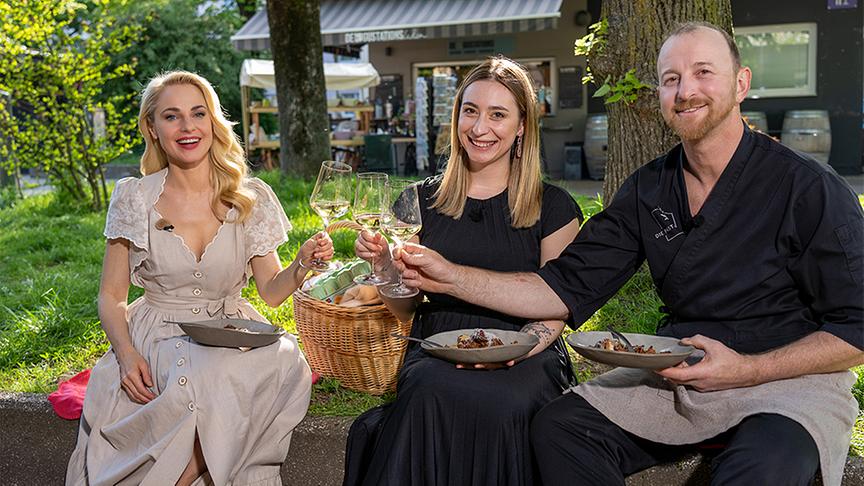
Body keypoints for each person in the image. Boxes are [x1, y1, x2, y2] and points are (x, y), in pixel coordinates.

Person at [397, 22, 863, 486]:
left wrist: (749, 368)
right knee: (561, 429)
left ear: (741, 83)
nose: (686, 91)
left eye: (704, 72)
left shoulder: (808, 187)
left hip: (783, 383)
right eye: (671, 79)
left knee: (760, 471)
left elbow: (858, 327)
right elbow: (560, 288)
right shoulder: (649, 189)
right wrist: (449, 275)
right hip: (683, 377)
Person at [66, 71, 329, 486]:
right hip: (160, 334)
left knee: (283, 359)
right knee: (210, 373)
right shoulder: (134, 198)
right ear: (152, 128)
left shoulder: (250, 197)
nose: (187, 127)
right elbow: (111, 295)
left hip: (230, 328)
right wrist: (126, 353)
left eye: (198, 113)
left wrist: (299, 265)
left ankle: (181, 475)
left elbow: (271, 292)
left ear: (212, 123)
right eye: (172, 116)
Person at [342, 57, 583, 486]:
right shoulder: (418, 201)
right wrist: (381, 266)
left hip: (529, 347)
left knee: (509, 400)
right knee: (428, 390)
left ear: (522, 124)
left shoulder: (556, 207)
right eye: (470, 111)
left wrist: (514, 351)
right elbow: (404, 309)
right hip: (437, 345)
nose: (479, 127)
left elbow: (557, 307)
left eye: (497, 114)